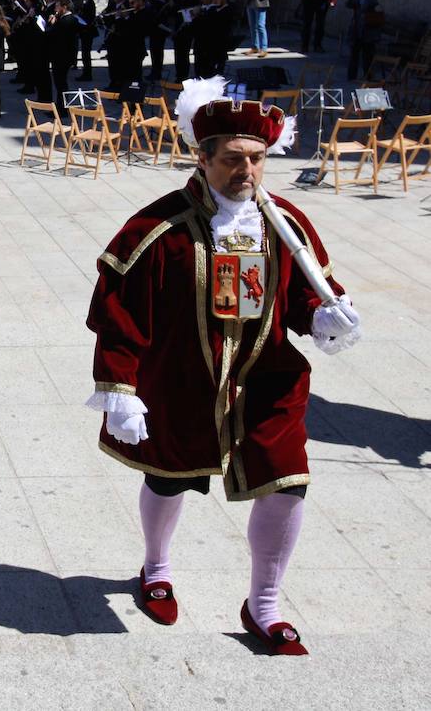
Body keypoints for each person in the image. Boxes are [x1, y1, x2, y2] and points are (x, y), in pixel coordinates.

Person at [86, 85, 360, 656]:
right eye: (233, 158)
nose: (247, 170)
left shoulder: (287, 223)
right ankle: (155, 569)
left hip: (267, 377)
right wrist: (119, 386)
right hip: (185, 377)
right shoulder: (158, 230)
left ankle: (264, 604)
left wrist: (324, 316)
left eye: (256, 158)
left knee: (287, 483)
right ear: (203, 157)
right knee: (169, 476)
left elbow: (305, 293)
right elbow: (121, 312)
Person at [345, 0, 381, 81]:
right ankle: (352, 76)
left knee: (367, 56)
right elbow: (348, 4)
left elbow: (366, 7)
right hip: (356, 30)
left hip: (367, 31)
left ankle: (368, 76)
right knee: (354, 55)